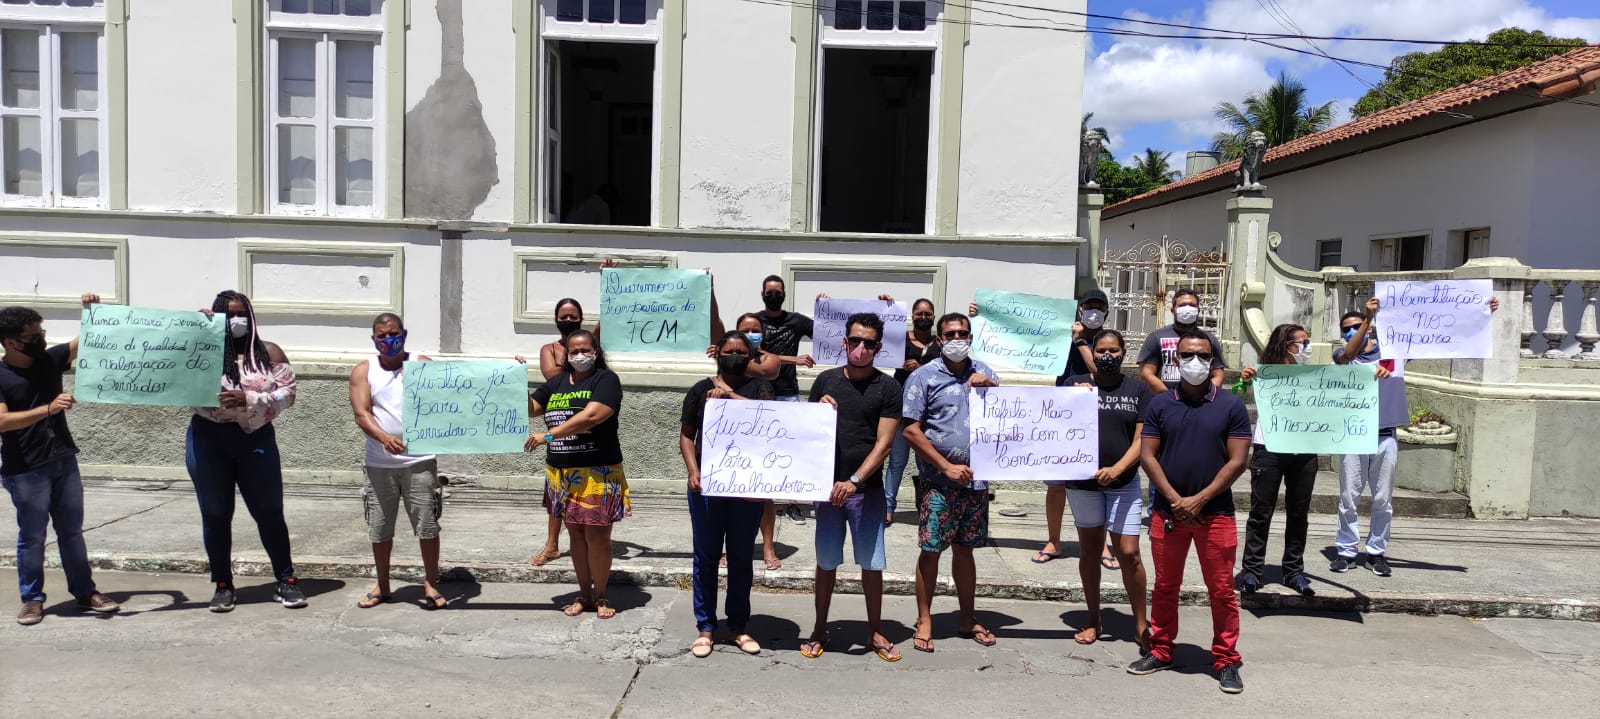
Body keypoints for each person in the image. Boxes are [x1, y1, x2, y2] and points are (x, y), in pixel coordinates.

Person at [1330, 296, 1495, 576]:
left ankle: (1376, 551)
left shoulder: (1395, 353)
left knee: (1382, 499)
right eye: (1346, 328)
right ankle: (1346, 550)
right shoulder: (1345, 357)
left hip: (1385, 435)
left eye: (1355, 325)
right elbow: (1346, 355)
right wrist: (1368, 319)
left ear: (1369, 328)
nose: (1350, 331)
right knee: (1349, 496)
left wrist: (1480, 314)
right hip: (1354, 435)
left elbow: (1440, 335)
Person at [1129, 330, 1251, 694]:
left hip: (1216, 514)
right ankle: (1162, 649)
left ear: (1213, 361)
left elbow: (1238, 460)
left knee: (1222, 590)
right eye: (1186, 356)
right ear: (1175, 360)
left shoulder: (1230, 405)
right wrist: (1176, 500)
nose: (1194, 362)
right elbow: (1148, 455)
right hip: (1168, 514)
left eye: (1202, 355)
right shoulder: (1161, 404)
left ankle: (1226, 659)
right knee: (1166, 586)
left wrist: (1199, 499)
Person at [0, 297, 119, 626]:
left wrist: (92, 310)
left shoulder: (49, 361)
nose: (42, 340)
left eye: (42, 332)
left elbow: (89, 338)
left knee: (71, 532)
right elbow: (3, 422)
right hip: (25, 470)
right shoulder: (1, 376)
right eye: (33, 336)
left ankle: (85, 592)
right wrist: (48, 409)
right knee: (33, 536)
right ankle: (32, 599)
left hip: (63, 460)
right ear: (10, 342)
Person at [189, 290, 303, 612]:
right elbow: (176, 379)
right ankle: (223, 584)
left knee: (269, 511)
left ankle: (286, 579)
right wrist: (196, 331)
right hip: (209, 439)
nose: (236, 321)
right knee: (215, 513)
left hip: (255, 440)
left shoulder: (269, 352)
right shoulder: (201, 350)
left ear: (250, 316)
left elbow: (288, 395)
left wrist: (249, 400)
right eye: (229, 315)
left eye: (242, 314)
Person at [800, 313, 903, 663]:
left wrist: (854, 481)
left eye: (869, 343)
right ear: (844, 342)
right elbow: (808, 433)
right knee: (826, 561)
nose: (861, 349)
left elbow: (885, 443)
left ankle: (875, 629)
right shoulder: (825, 381)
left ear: (878, 347)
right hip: (827, 491)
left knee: (872, 563)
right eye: (855, 341)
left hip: (866, 490)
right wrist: (818, 409)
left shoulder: (888, 387)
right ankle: (819, 627)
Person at [903, 312, 1000, 653]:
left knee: (966, 549)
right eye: (950, 333)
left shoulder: (985, 372)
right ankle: (925, 619)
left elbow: (1011, 417)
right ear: (940, 339)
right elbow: (911, 430)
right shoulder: (923, 377)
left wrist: (994, 391)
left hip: (976, 484)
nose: (957, 338)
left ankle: (967, 616)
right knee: (931, 550)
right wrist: (945, 466)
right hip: (938, 482)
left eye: (964, 332)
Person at [680, 331, 775, 658]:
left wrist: (729, 396)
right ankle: (705, 627)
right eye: (728, 350)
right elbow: (686, 436)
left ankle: (738, 626)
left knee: (740, 558)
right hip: (708, 486)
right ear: (716, 353)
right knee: (705, 557)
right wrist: (693, 470)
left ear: (749, 356)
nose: (734, 355)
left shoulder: (760, 388)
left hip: (746, 488)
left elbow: (768, 417)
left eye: (740, 351)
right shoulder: (698, 390)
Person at [1234, 323, 1345, 597]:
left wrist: (1375, 375)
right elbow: (1236, 396)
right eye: (1302, 343)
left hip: (1304, 449)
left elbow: (1350, 381)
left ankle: (1294, 571)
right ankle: (1252, 571)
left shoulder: (1314, 375)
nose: (1306, 349)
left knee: (1299, 512)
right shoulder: (1265, 373)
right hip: (1269, 448)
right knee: (1261, 512)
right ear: (1287, 345)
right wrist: (1244, 381)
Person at [1058, 329, 1152, 650]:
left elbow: (1142, 440)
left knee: (1129, 552)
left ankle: (1141, 623)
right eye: (1101, 350)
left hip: (1123, 484)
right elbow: (1051, 421)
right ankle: (1093, 617)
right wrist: (1073, 397)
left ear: (1123, 352)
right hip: (1082, 484)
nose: (1107, 355)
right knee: (1090, 550)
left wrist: (1118, 469)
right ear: (1092, 353)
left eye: (1113, 350)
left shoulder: (1138, 391)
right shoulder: (1074, 385)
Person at [527, 329, 629, 618]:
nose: (580, 355)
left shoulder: (606, 380)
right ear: (566, 355)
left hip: (597, 471)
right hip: (562, 472)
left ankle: (602, 595)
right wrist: (509, 383)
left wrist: (549, 436)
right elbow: (532, 408)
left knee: (597, 537)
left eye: (585, 350)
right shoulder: (556, 383)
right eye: (574, 351)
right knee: (575, 535)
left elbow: (592, 416)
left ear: (596, 351)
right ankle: (584, 593)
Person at [348, 313, 446, 610]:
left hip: (420, 462)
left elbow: (451, 397)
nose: (388, 340)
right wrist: (383, 438)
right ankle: (383, 584)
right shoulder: (364, 371)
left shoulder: (422, 363)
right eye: (382, 336)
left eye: (393, 334)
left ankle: (430, 583)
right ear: (373, 339)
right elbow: (361, 413)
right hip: (380, 464)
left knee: (427, 526)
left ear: (404, 334)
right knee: (380, 528)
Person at [754, 275, 815, 529]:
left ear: (784, 294)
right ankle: (759, 496)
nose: (774, 295)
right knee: (760, 447)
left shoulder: (796, 320)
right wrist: (793, 359)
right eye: (770, 292)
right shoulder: (754, 321)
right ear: (762, 294)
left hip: (788, 391)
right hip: (760, 391)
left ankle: (792, 502)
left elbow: (826, 334)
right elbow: (754, 352)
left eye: (778, 292)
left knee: (791, 448)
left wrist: (824, 308)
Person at [884, 298, 939, 526]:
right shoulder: (901, 340)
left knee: (925, 463)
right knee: (896, 461)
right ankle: (888, 507)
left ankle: (926, 506)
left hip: (927, 414)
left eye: (927, 314)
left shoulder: (941, 344)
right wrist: (887, 309)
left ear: (934, 317)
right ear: (912, 316)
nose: (923, 318)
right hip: (900, 410)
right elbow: (881, 336)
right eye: (919, 314)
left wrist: (922, 368)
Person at [1137, 288, 1226, 393]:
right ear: (1172, 310)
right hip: (1166, 400)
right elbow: (1147, 373)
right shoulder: (1156, 337)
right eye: (1182, 305)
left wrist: (1206, 397)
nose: (1187, 309)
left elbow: (1218, 374)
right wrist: (1168, 398)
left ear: (1198, 310)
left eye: (1192, 305)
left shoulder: (1208, 339)